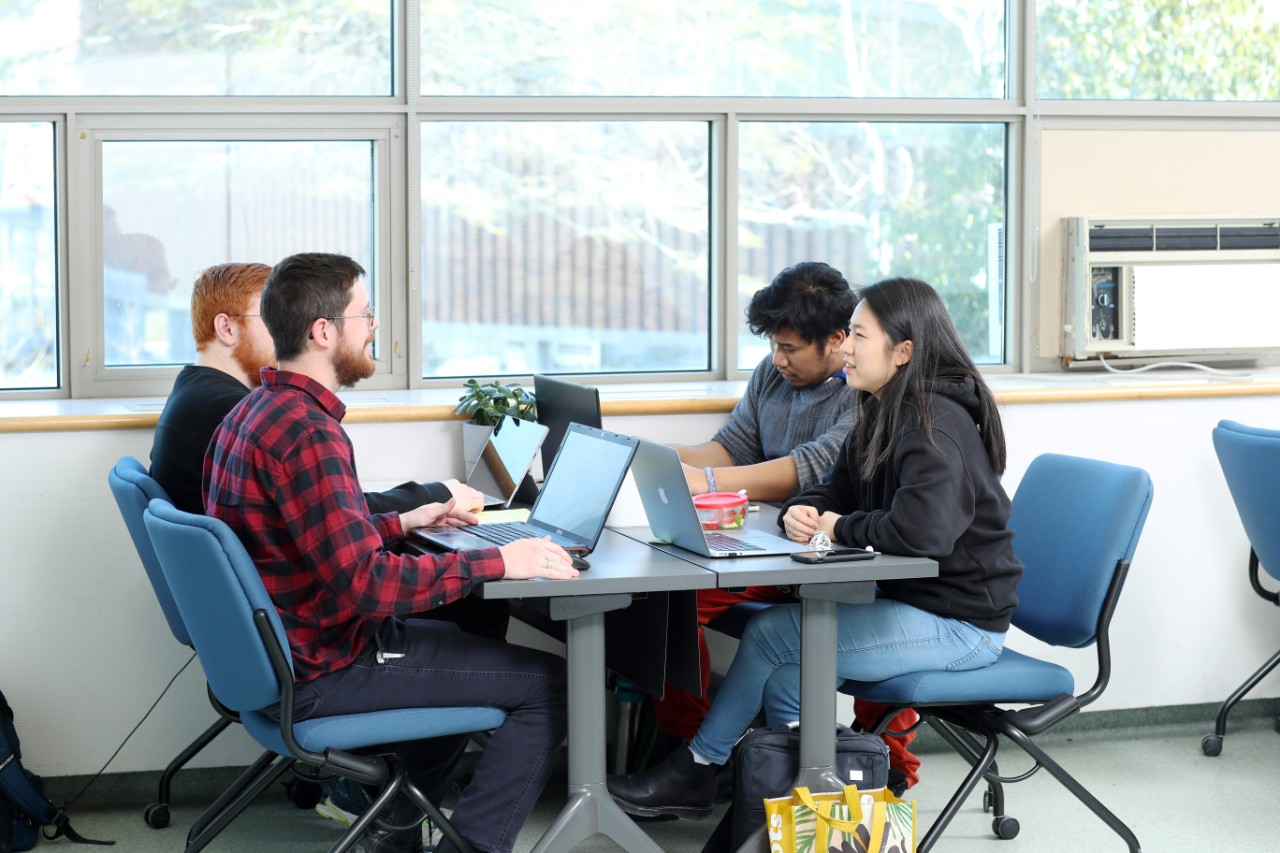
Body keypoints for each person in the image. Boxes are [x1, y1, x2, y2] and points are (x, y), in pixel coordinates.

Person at [606, 276, 1024, 821]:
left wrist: (834, 526)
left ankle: (700, 769)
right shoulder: (877, 408)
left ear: (903, 352)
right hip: (915, 603)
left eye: (859, 337)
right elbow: (831, 488)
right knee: (783, 675)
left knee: (774, 633)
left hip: (962, 624)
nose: (846, 347)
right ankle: (799, 808)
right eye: (847, 334)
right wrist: (803, 510)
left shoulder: (933, 423)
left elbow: (924, 533)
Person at [204, 252, 578, 853]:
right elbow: (367, 586)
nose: (374, 326)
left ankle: (393, 831)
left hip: (283, 660)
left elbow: (307, 541)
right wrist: (501, 561)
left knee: (472, 633)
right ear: (324, 331)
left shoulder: (250, 412)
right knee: (551, 682)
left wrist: (402, 519)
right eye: (366, 314)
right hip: (326, 668)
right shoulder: (309, 431)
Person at [653, 261, 921, 791]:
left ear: (838, 340)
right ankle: (696, 747)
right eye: (774, 345)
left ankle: (891, 764)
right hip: (775, 543)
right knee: (669, 601)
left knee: (876, 606)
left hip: (831, 550)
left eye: (791, 348)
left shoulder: (862, 389)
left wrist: (704, 481)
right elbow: (733, 445)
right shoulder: (771, 374)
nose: (778, 359)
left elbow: (807, 467)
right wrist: (662, 456)